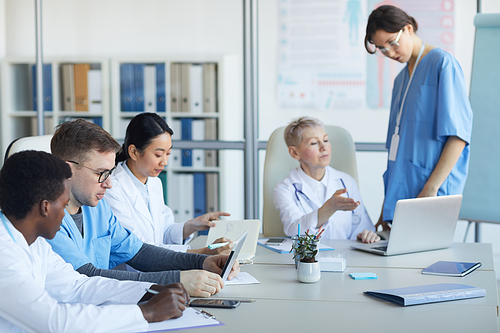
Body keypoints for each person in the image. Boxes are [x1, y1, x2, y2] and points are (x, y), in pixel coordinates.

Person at [0, 151, 191, 333]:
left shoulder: (34, 242)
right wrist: (146, 312)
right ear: (45, 207)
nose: (65, 214)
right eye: (65, 205)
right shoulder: (4, 255)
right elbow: (55, 321)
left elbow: (78, 286)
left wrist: (147, 291)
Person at [46, 119, 239, 298]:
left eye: (110, 173)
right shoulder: (46, 220)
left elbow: (137, 251)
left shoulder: (97, 208)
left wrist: (203, 262)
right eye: (101, 173)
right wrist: (177, 281)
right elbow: (87, 276)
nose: (109, 183)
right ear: (67, 169)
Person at [364, 5, 473, 230]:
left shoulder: (443, 65)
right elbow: (397, 152)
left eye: (393, 43)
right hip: (402, 199)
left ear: (408, 28)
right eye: (383, 49)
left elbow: (458, 136)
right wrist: (386, 207)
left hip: (432, 193)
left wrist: (430, 189)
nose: (391, 53)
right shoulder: (400, 81)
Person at [105, 112, 233, 255]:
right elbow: (139, 250)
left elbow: (164, 233)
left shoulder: (154, 183)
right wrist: (203, 253)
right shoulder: (111, 189)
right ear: (134, 152)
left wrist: (193, 225)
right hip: (132, 273)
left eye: (168, 154)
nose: (164, 162)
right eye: (158, 155)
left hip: (157, 269)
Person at [274, 117, 380, 243]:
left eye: (325, 140)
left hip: (347, 257)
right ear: (294, 152)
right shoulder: (285, 189)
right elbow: (294, 230)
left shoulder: (346, 181)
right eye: (314, 143)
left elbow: (363, 227)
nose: (323, 147)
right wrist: (329, 207)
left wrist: (366, 235)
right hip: (308, 259)